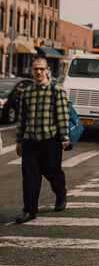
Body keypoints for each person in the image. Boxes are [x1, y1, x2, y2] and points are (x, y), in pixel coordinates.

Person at [14, 57, 70, 223]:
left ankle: (61, 194)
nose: (38, 72)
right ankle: (29, 211)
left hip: (50, 140)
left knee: (53, 172)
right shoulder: (26, 92)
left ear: (47, 71)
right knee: (30, 177)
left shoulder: (56, 90)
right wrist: (19, 140)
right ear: (31, 71)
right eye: (35, 69)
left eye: (41, 69)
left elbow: (62, 115)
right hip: (30, 141)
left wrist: (64, 136)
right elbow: (22, 119)